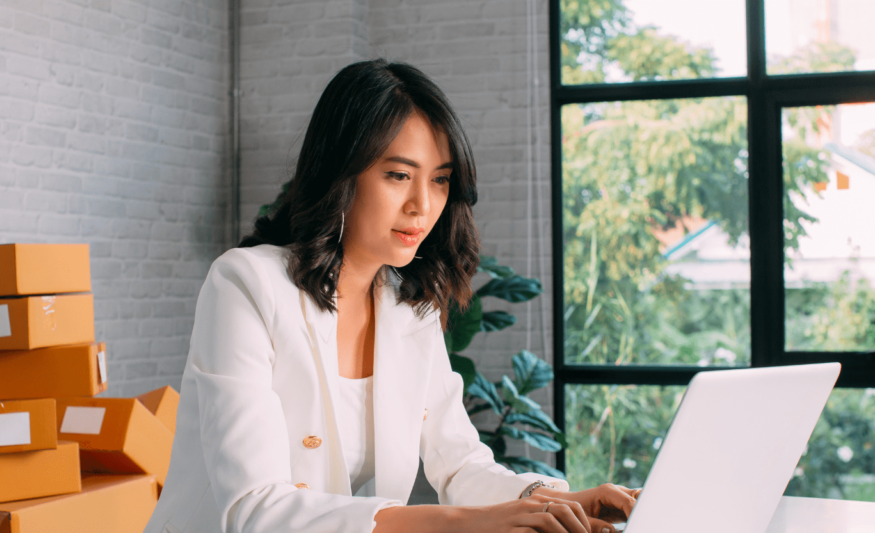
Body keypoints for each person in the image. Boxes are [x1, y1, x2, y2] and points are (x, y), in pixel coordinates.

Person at [143, 59, 639, 533]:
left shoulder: (408, 308)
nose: (423, 205)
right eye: (399, 175)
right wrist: (470, 524)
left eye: (440, 180)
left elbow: (460, 464)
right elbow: (255, 510)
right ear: (340, 172)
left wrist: (555, 500)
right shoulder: (245, 285)